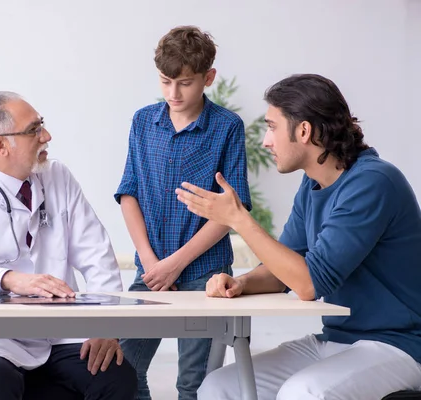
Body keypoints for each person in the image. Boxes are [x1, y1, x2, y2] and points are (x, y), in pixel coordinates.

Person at [176, 74, 421, 400]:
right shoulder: (312, 185)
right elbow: (283, 270)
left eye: (273, 127)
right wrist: (242, 284)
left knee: (303, 392)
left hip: (398, 345)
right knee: (218, 387)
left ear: (303, 131)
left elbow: (308, 284)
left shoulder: (373, 183)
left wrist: (238, 219)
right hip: (337, 338)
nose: (266, 141)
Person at [0, 91, 137, 400]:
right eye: (34, 129)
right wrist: (9, 279)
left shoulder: (58, 177)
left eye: (42, 125)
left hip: (59, 336)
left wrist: (104, 327)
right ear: (0, 145)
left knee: (116, 377)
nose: (46, 136)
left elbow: (98, 256)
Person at [114, 26, 251, 400]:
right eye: (165, 82)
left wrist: (175, 264)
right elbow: (129, 194)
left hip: (207, 279)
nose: (174, 93)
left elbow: (231, 212)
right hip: (151, 271)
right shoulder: (143, 122)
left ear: (208, 78)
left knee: (194, 384)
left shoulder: (227, 127)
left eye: (185, 83)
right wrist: (151, 262)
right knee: (122, 370)